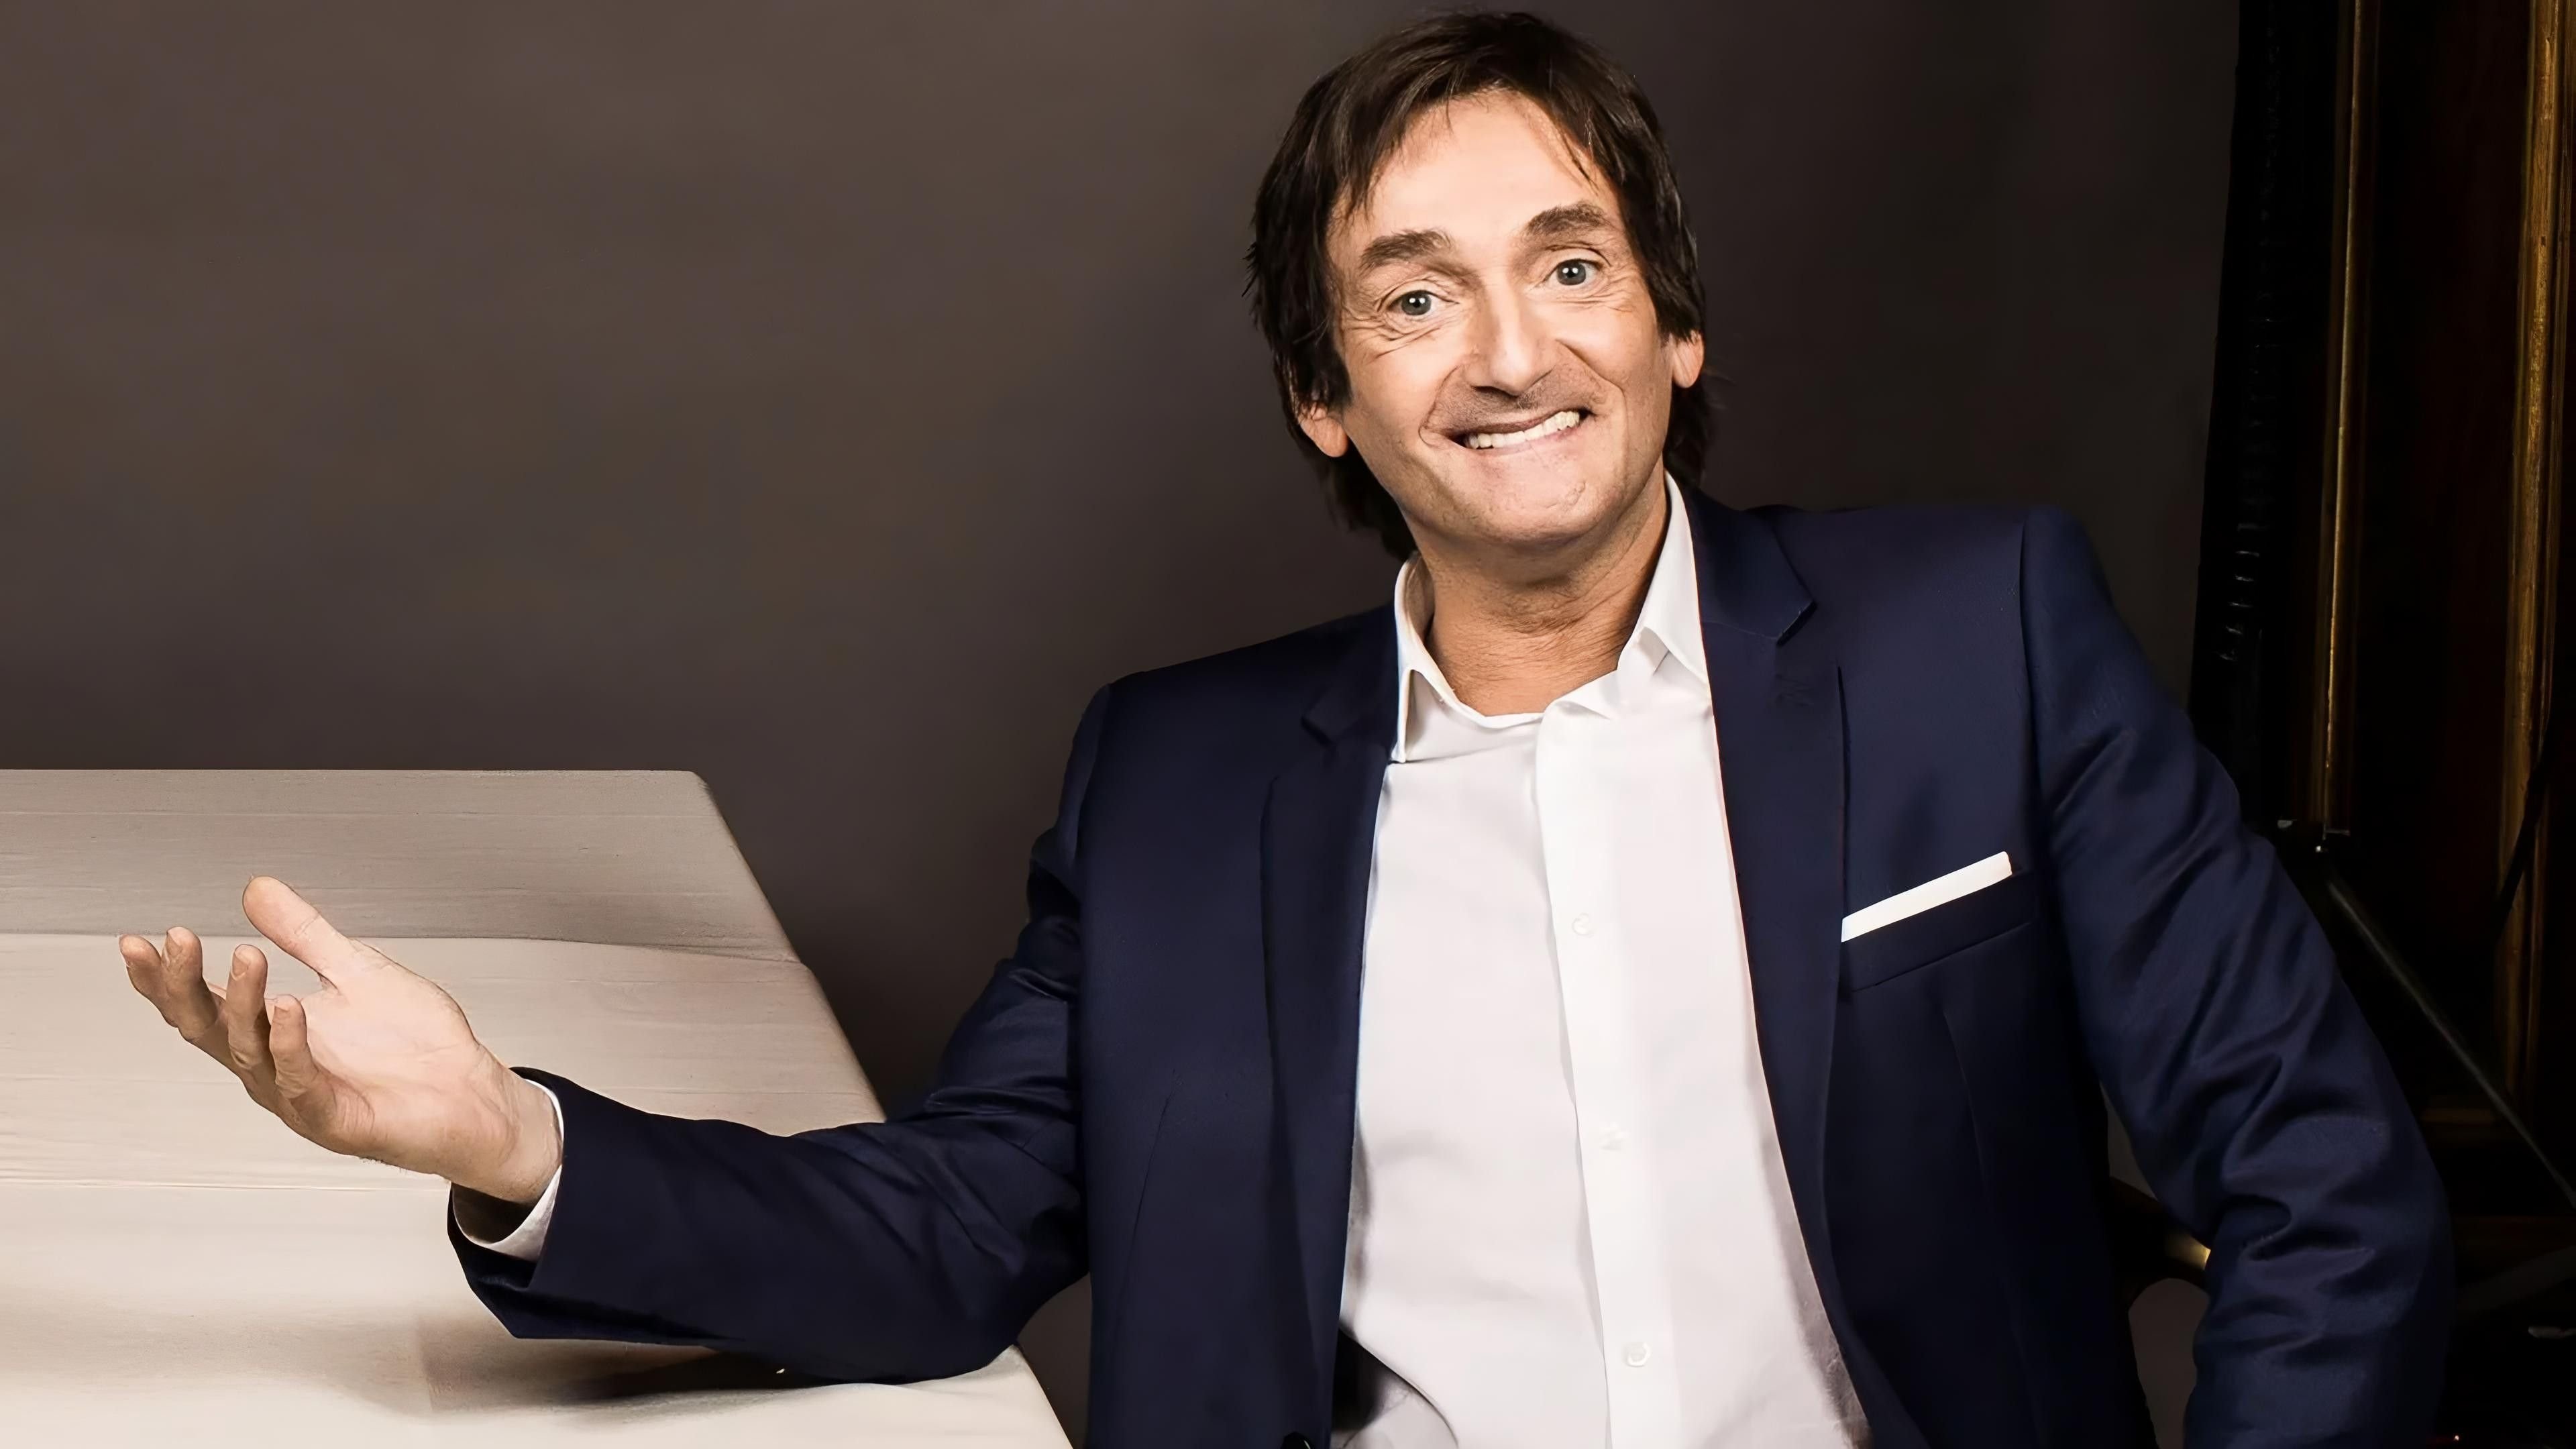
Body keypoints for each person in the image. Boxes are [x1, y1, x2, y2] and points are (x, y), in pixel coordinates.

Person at [119, 11, 2451, 1448]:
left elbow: (2320, 1179)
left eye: (1571, 266)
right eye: (1414, 300)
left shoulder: (1983, 641)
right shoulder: (1182, 789)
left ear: (1676, 326)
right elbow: (941, 1232)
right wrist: (508, 1134)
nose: (1512, 353)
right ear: (1327, 401)